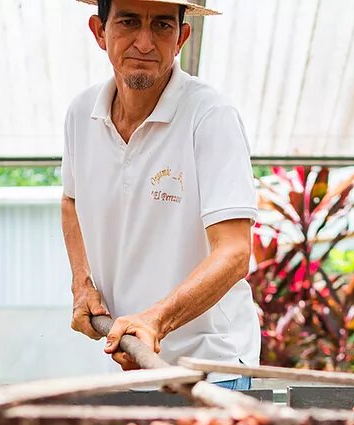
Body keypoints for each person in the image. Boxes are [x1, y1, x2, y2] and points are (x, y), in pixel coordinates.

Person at [61, 0, 260, 388]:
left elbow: (234, 252)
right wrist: (81, 283)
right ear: (99, 32)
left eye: (163, 26)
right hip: (130, 364)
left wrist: (155, 320)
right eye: (129, 22)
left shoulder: (209, 116)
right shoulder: (81, 113)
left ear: (182, 37)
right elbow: (71, 202)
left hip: (209, 367)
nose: (145, 42)